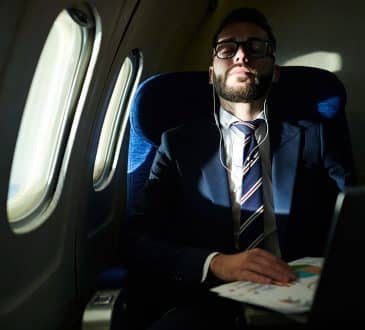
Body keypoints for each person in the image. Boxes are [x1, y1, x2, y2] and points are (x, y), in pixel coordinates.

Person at [123, 7, 355, 330]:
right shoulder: (177, 145)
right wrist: (215, 263)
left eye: (256, 47)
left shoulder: (315, 135)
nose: (241, 55)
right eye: (227, 48)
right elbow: (137, 241)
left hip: (297, 297)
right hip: (207, 300)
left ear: (275, 71)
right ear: (211, 73)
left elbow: (352, 216)